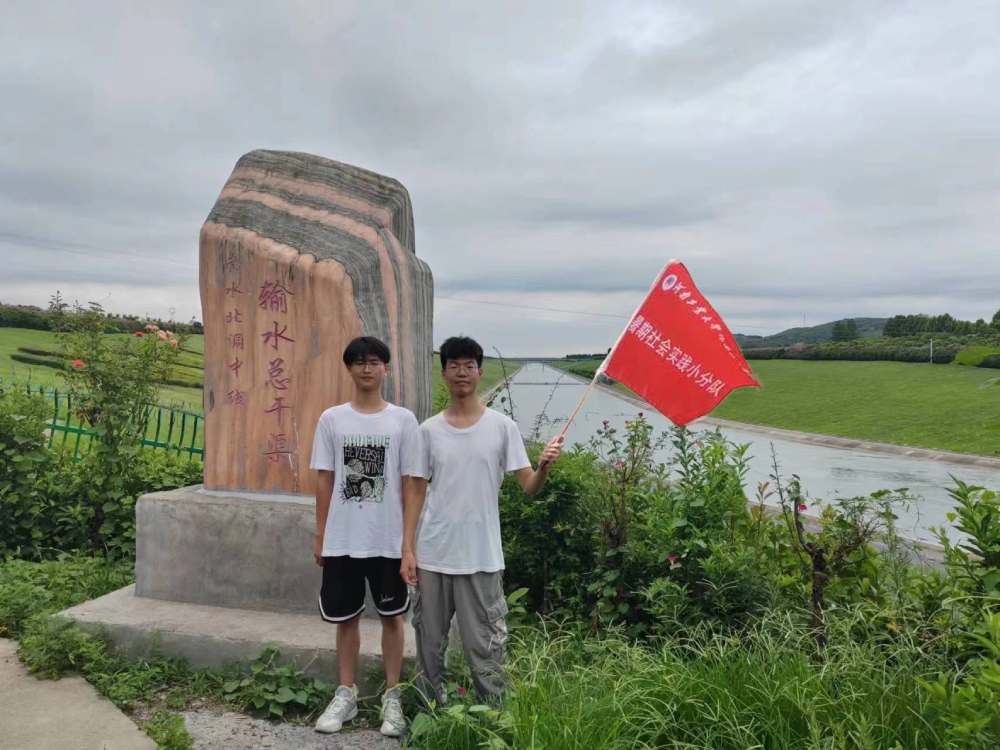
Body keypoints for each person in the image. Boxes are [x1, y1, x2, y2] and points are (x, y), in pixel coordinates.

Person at [401, 336, 562, 703]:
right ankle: (429, 712)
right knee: (429, 641)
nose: (462, 372)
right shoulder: (428, 431)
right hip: (433, 554)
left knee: (486, 644)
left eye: (469, 366)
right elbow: (415, 491)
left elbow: (529, 486)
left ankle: (493, 716)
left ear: (479, 371)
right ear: (444, 373)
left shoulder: (502, 427)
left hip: (481, 556)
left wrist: (544, 466)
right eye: (454, 366)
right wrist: (407, 549)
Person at [309, 336, 420, 736]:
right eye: (359, 361)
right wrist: (321, 534)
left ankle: (393, 696)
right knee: (346, 618)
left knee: (393, 618)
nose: (367, 368)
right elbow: (325, 479)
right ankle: (346, 694)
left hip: (387, 540)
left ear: (386, 368)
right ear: (349, 368)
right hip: (343, 539)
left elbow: (411, 484)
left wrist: (408, 545)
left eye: (374, 361)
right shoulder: (332, 419)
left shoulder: (403, 420)